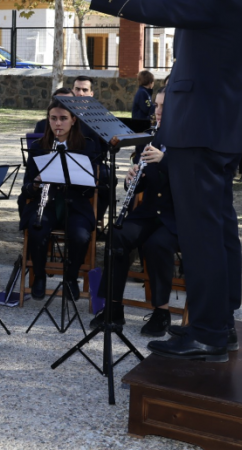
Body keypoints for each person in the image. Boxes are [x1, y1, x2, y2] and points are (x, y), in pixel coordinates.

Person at [44, 0, 242, 361]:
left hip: (199, 133)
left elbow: (156, 11)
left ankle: (208, 332)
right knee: (217, 232)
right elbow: (184, 23)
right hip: (213, 129)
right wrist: (169, 6)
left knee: (203, 235)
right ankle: (218, 323)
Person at [91, 88, 180, 337]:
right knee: (117, 236)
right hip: (150, 212)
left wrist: (165, 161)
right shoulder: (151, 138)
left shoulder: (186, 140)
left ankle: (162, 313)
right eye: (157, 106)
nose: (158, 111)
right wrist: (132, 180)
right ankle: (113, 308)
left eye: (165, 106)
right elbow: (142, 182)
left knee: (156, 245)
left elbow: (192, 182)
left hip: (177, 216)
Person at [18, 100, 104, 301]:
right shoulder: (39, 147)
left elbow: (91, 189)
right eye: (53, 119)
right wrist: (37, 183)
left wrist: (77, 178)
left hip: (75, 204)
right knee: (37, 230)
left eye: (63, 118)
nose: (58, 124)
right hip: (45, 204)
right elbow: (26, 188)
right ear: (48, 120)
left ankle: (71, 277)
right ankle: (39, 276)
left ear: (73, 120)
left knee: (81, 236)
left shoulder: (87, 146)